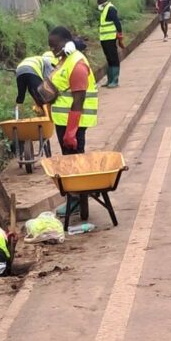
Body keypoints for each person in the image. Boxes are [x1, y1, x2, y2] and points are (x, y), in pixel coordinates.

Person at [45, 27, 98, 217]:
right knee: (69, 163)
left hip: (72, 124)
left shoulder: (77, 64)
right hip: (63, 122)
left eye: (55, 45)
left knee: (75, 163)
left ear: (67, 43)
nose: (53, 50)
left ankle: (78, 202)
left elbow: (78, 99)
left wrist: (71, 131)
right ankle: (74, 199)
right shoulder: (64, 61)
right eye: (50, 46)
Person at [97, 0, 125, 88]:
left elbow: (117, 23)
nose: (97, 0)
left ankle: (115, 80)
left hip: (110, 38)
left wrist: (120, 34)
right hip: (104, 38)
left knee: (114, 58)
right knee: (109, 59)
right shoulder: (103, 9)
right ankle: (109, 80)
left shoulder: (110, 8)